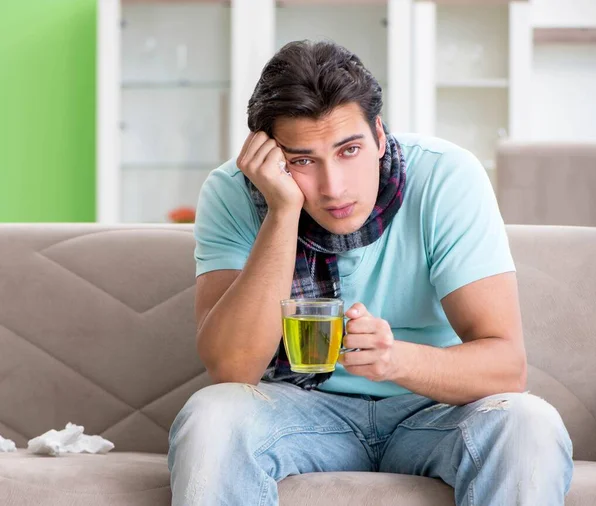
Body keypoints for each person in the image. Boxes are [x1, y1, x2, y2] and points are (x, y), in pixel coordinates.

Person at [168, 40, 573, 506]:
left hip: (433, 410)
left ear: (380, 137)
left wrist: (394, 359)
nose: (333, 187)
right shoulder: (235, 193)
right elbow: (232, 370)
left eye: (349, 150)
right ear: (272, 159)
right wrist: (282, 213)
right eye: (302, 160)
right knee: (211, 416)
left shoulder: (445, 177)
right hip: (297, 410)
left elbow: (507, 366)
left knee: (527, 423)